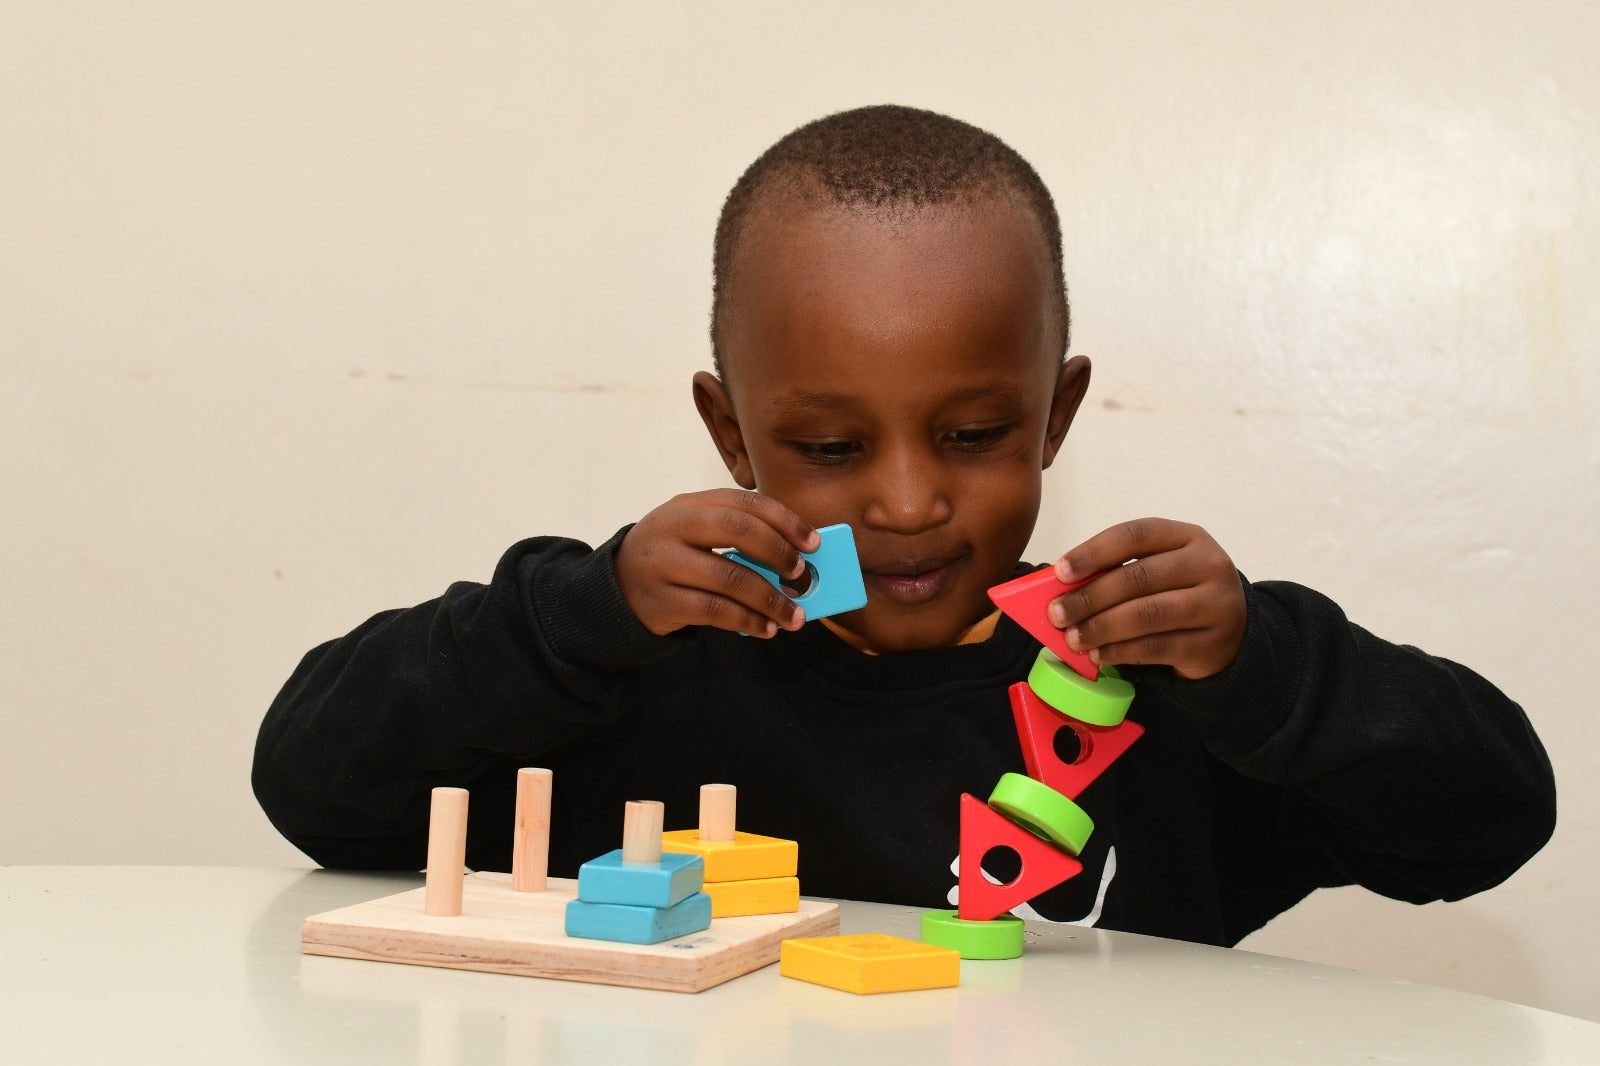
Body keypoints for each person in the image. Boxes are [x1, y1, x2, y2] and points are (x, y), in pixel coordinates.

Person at [252, 105, 1554, 946]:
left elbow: (1487, 818)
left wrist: (1267, 660)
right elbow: (315, 785)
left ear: (1057, 414)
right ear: (731, 435)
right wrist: (583, 613)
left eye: (976, 432)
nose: (910, 500)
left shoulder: (1146, 681)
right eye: (827, 447)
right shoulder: (645, 662)